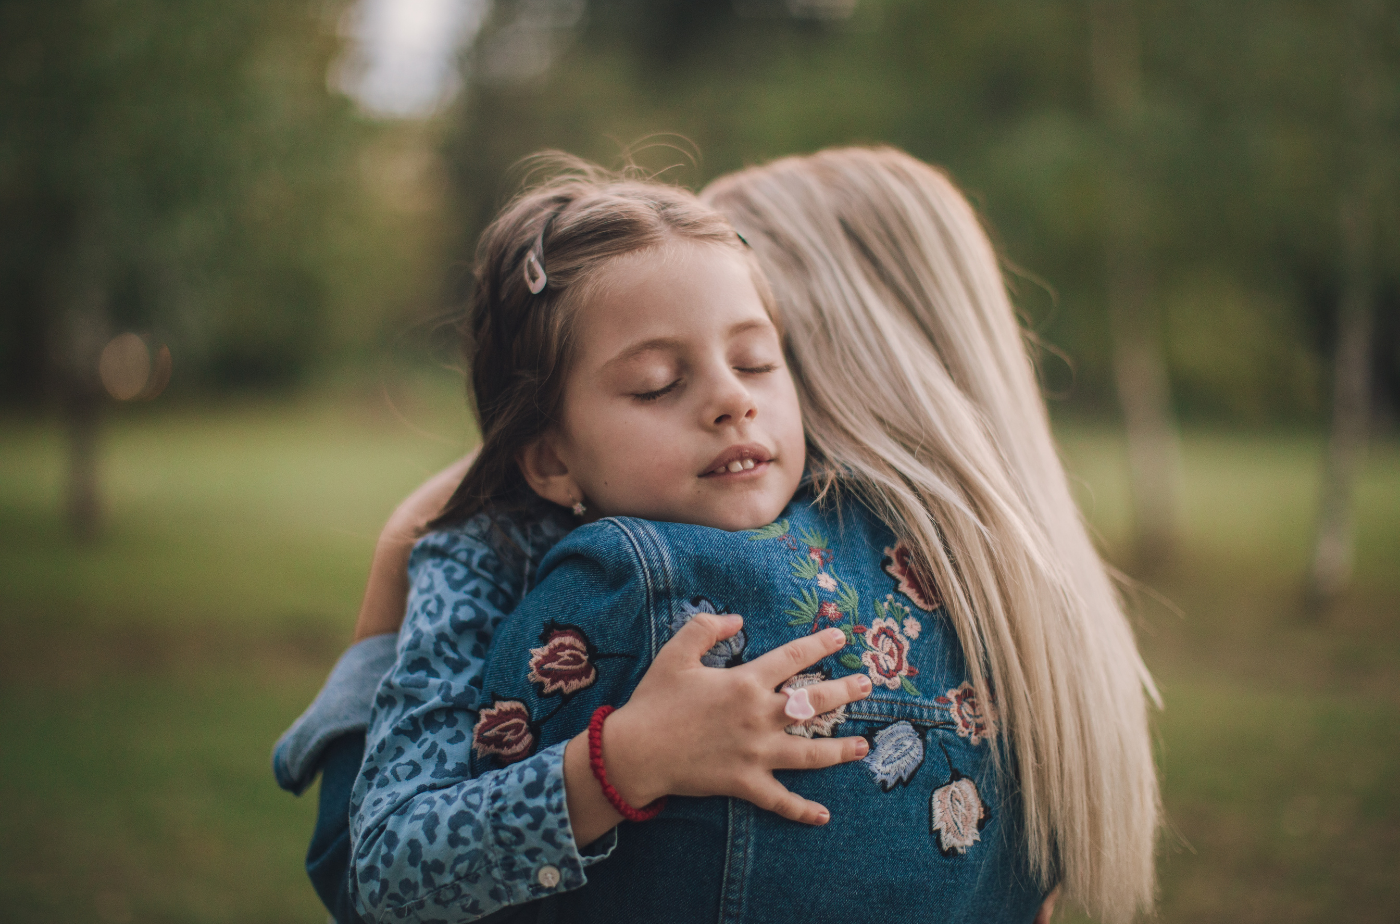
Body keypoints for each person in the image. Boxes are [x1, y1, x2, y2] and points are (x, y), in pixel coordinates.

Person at [276, 147, 1157, 924]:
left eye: (760, 360)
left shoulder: (622, 578)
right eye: (659, 381)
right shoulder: (1022, 610)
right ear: (549, 456)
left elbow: (370, 878)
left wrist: (407, 548)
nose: (732, 398)